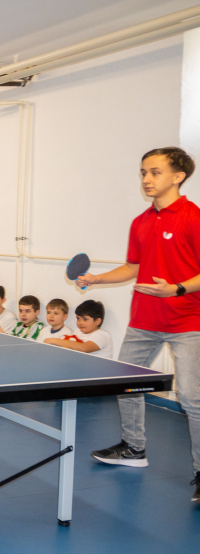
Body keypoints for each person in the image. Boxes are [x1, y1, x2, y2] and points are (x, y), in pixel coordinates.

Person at [78, 148, 199, 498]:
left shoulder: (193, 217)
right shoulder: (141, 221)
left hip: (188, 321)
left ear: (178, 176)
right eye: (143, 172)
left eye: (155, 172)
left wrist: (176, 289)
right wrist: (97, 279)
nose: (146, 179)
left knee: (192, 399)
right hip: (144, 320)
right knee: (126, 383)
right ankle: (133, 448)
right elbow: (133, 266)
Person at [44, 300, 112, 358]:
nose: (80, 322)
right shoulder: (78, 331)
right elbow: (71, 348)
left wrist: (53, 340)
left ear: (97, 321)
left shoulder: (102, 335)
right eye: (78, 318)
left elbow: (84, 348)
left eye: (85, 319)